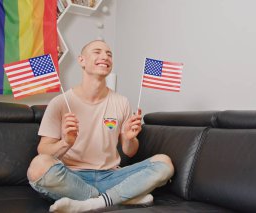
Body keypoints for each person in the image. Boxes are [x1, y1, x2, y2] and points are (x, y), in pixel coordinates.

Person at [26, 40, 174, 212]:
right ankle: (122, 197)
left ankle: (94, 203)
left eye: (109, 54)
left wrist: (128, 138)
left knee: (164, 163)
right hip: (72, 178)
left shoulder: (122, 102)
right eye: (97, 52)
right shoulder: (59, 103)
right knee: (38, 166)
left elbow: (130, 152)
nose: (105, 57)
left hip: (111, 175)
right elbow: (43, 151)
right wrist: (66, 142)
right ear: (82, 60)